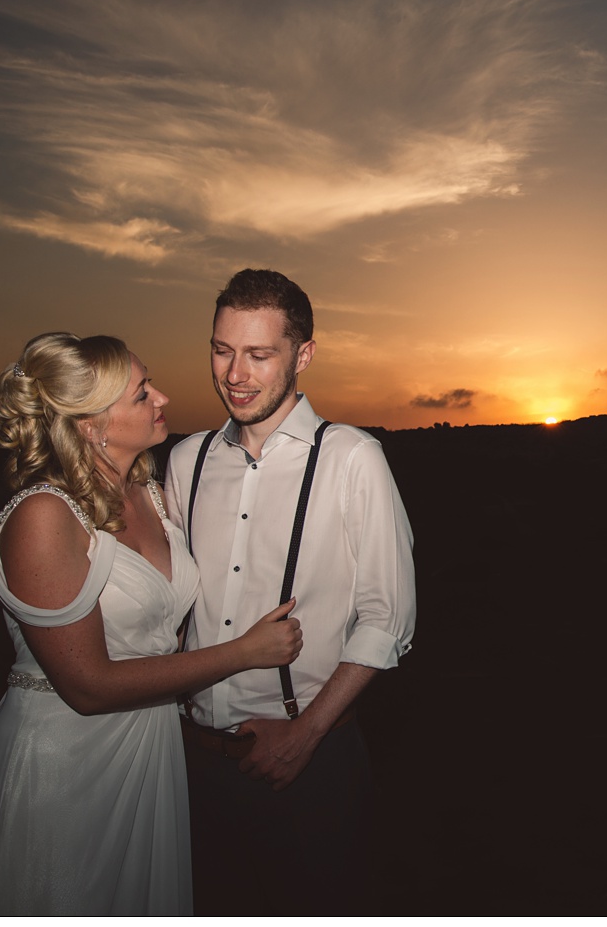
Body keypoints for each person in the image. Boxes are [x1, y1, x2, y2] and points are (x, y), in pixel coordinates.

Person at [0, 332, 304, 916]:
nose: (162, 396)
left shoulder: (149, 491)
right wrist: (243, 653)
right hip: (66, 762)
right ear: (92, 424)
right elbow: (88, 687)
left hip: (149, 746)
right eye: (142, 393)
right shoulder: (45, 515)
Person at [165, 269, 416, 915]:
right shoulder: (185, 460)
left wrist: (305, 734)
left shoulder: (352, 457)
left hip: (309, 764)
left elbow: (388, 618)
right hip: (191, 764)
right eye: (222, 349)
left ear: (303, 355)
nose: (234, 374)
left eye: (259, 354)